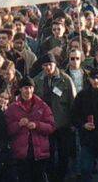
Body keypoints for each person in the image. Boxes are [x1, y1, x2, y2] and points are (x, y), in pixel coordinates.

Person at [33, 53, 76, 182]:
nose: (47, 68)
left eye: (50, 65)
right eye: (45, 65)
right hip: (45, 124)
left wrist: (73, 122)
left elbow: (73, 101)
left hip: (63, 123)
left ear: (55, 64)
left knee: (64, 153)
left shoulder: (66, 79)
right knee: (48, 154)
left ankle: (61, 177)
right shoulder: (38, 80)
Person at [5, 76, 55, 182]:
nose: (28, 90)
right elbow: (7, 130)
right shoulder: (12, 108)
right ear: (20, 89)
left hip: (40, 153)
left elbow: (51, 126)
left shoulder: (42, 106)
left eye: (30, 87)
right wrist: (19, 124)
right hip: (21, 155)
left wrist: (37, 125)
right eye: (25, 88)